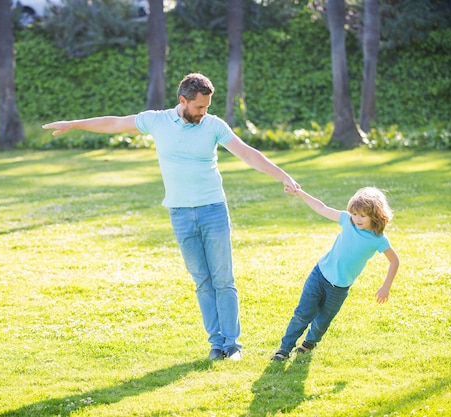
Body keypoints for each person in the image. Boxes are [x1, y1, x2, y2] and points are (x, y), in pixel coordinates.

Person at [43, 73, 300, 361]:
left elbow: (248, 154)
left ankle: (233, 346)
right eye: (199, 107)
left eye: (207, 107)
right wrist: (73, 124)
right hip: (179, 213)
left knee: (223, 280)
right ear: (183, 100)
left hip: (213, 209)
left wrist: (284, 176)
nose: (204, 113)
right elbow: (115, 122)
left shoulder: (214, 125)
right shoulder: (157, 121)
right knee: (202, 281)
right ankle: (216, 345)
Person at [271, 186, 400, 361]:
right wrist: (300, 193)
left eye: (363, 215)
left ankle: (308, 344)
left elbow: (394, 260)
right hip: (319, 274)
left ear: (375, 216)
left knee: (322, 321)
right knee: (302, 314)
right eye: (355, 214)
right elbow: (322, 208)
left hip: (339, 288)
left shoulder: (378, 239)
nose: (357, 219)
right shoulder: (347, 221)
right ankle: (283, 350)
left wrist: (386, 287)